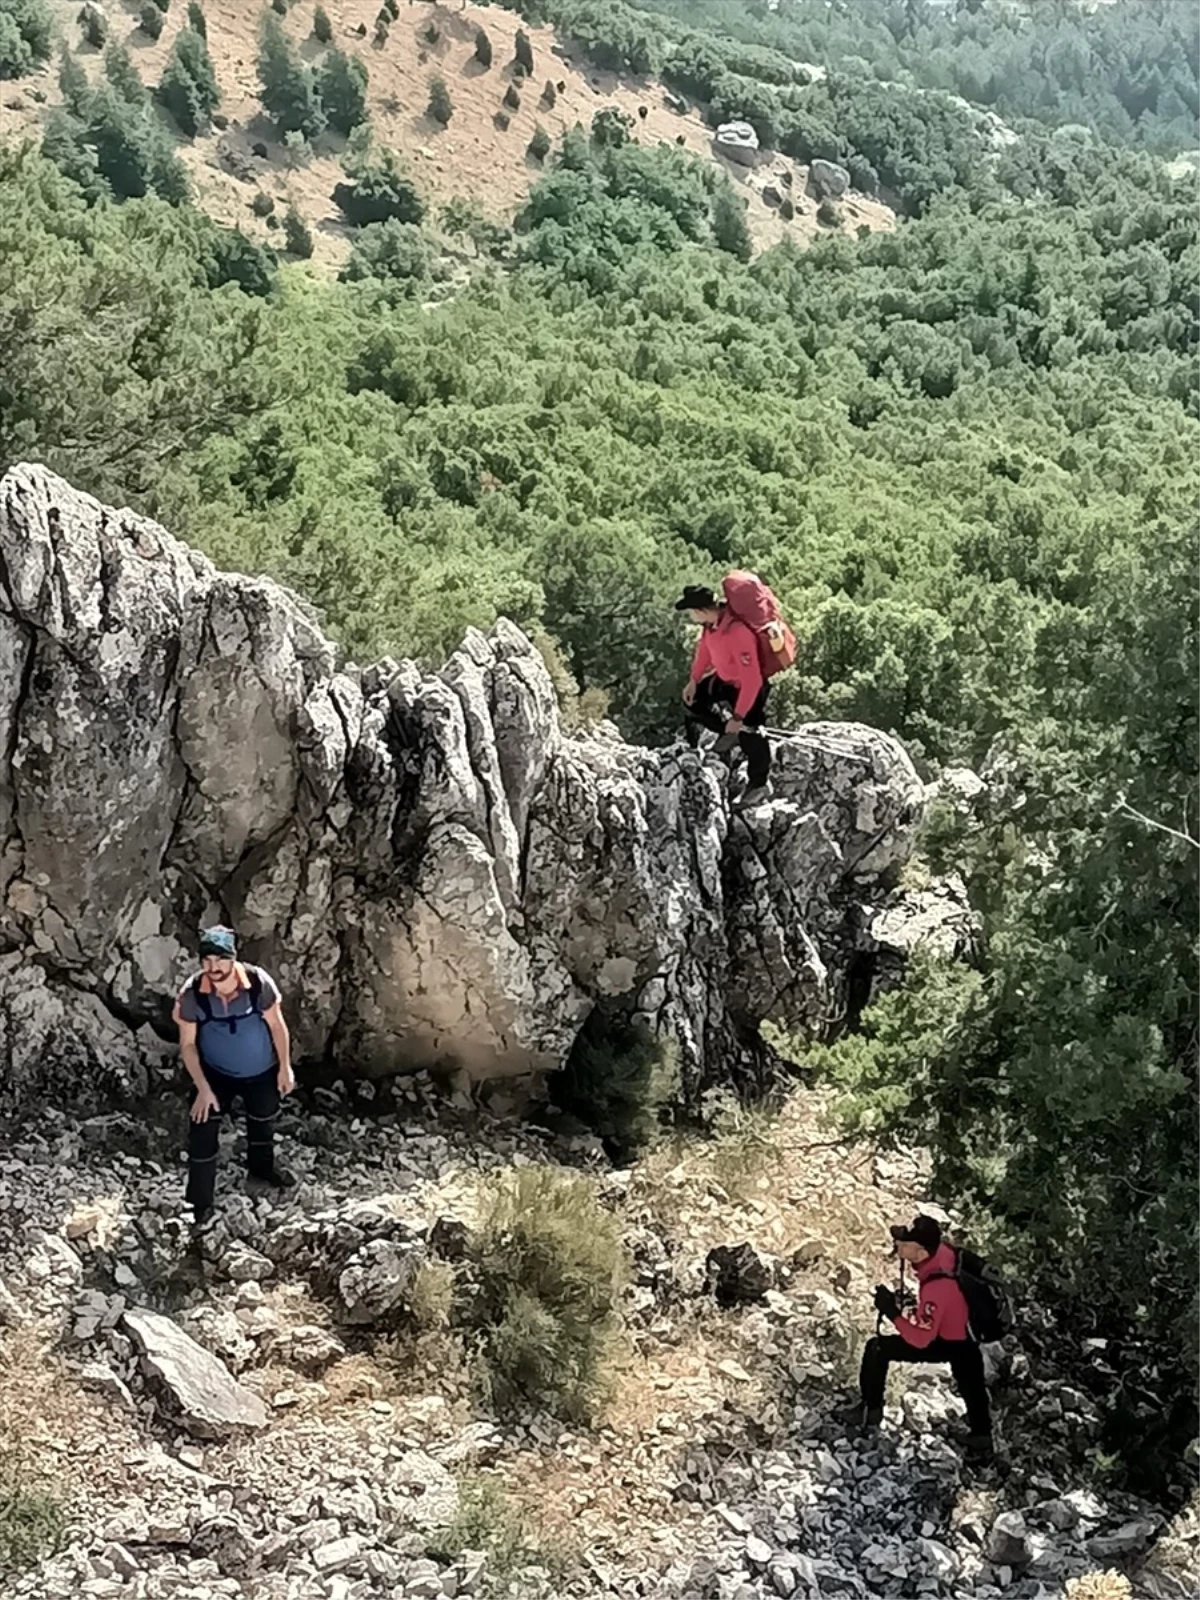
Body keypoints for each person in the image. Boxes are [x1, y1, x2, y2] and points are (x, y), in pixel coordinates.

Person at [174, 926, 296, 1225]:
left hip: (262, 1070)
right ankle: (199, 1204)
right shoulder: (192, 994)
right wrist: (203, 1088)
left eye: (220, 959)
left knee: (263, 1118)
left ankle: (262, 1169)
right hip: (215, 1074)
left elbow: (277, 1027)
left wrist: (285, 1066)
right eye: (207, 960)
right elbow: (187, 1045)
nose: (213, 968)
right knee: (202, 1128)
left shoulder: (257, 983)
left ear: (232, 959)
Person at [852, 1214, 993, 1461]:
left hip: (948, 1341)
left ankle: (869, 1411)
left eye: (904, 1243)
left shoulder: (938, 1288)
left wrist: (892, 1313)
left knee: (877, 1348)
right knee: (971, 1379)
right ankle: (982, 1439)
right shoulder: (944, 1254)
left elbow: (920, 1340)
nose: (897, 1245)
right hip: (966, 1333)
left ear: (919, 1252)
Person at [675, 583, 772, 804]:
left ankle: (759, 784)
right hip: (726, 681)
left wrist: (738, 717)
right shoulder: (711, 626)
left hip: (749, 688)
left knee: (752, 734)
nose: (690, 616)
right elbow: (705, 652)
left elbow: (752, 680)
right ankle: (728, 733)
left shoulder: (738, 632)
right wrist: (694, 680)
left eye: (690, 612)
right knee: (693, 703)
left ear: (700, 611)